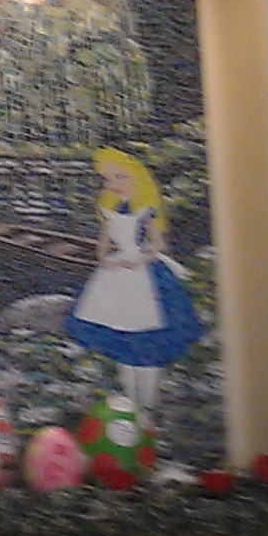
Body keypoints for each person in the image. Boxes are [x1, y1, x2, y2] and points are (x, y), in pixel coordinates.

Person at [61, 146, 206, 424]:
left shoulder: (145, 212)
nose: (114, 184)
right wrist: (107, 260)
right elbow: (102, 248)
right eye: (108, 179)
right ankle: (130, 403)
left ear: (137, 178)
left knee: (151, 334)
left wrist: (141, 258)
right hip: (117, 274)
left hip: (144, 274)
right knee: (122, 337)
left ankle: (148, 407)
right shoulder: (109, 213)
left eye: (121, 177)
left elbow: (157, 244)